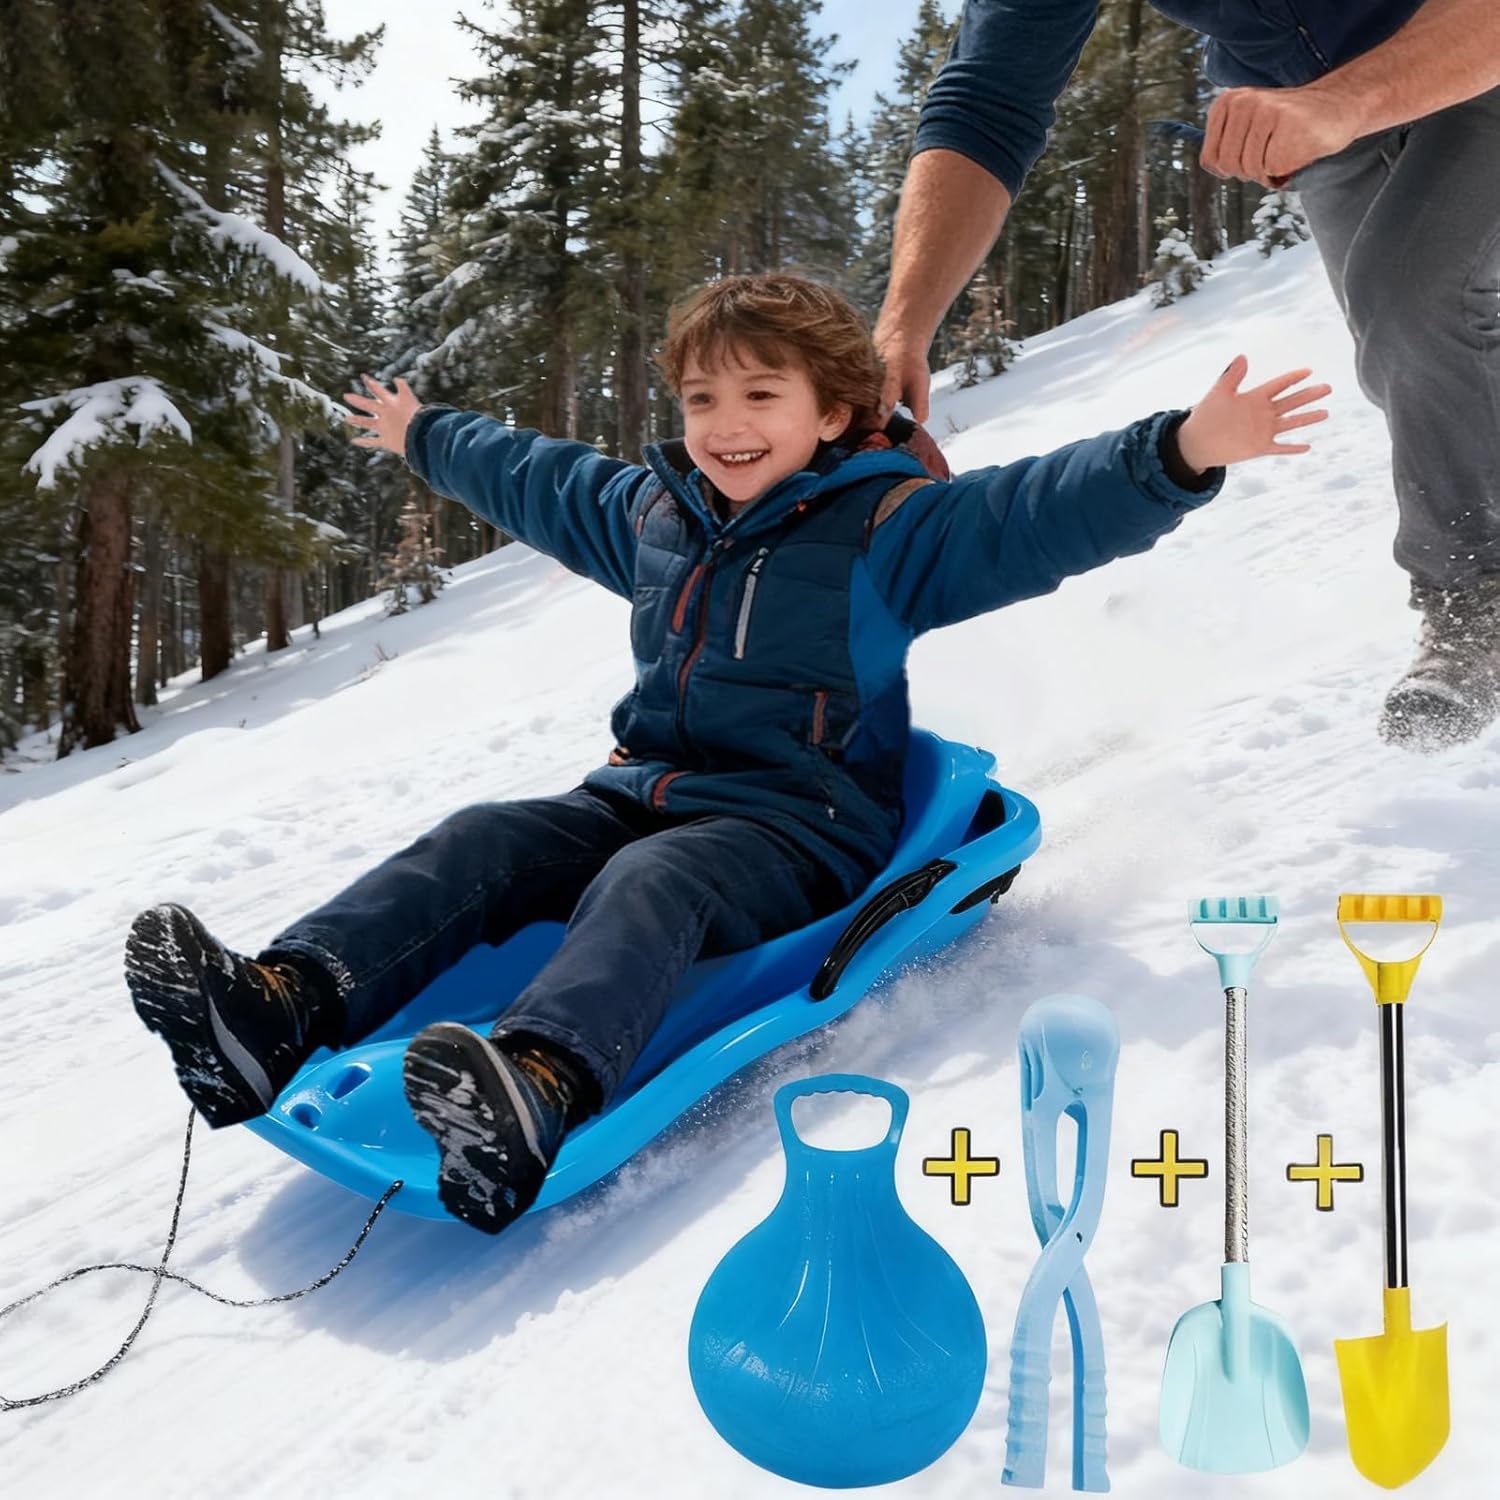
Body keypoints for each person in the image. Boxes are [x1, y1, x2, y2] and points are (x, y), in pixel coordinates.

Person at [124, 273, 1327, 1236]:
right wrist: (426, 433)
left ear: (832, 413)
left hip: (799, 825)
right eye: (703, 399)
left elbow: (1034, 513)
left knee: (655, 880)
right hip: (645, 788)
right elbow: (540, 481)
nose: (726, 425)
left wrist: (1181, 450)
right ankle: (276, 1009)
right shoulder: (660, 517)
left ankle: (537, 1090)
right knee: (486, 839)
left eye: (760, 394)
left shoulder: (888, 529)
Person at [877, 0, 1500, 749]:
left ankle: (1476, 602)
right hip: (1322, 116)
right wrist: (903, 325)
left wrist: (1343, 100)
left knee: (1414, 298)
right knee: (1415, 356)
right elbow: (988, 100)